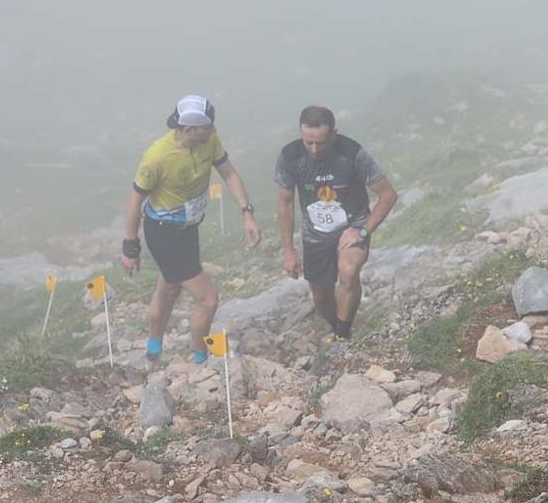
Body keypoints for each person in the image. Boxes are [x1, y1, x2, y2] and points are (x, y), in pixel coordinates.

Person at [121, 95, 261, 363]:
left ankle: (153, 346)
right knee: (208, 299)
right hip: (163, 231)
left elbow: (228, 173)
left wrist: (247, 214)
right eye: (208, 126)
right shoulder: (156, 157)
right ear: (188, 129)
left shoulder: (209, 141)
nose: (214, 130)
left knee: (170, 284)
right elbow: (135, 200)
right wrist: (130, 246)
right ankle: (200, 359)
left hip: (188, 227)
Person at [275, 106, 398, 339]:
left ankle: (343, 334)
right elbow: (285, 203)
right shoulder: (290, 156)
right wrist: (288, 251)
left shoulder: (352, 154)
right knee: (321, 299)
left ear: (333, 134)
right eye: (307, 142)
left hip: (352, 226)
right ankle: (337, 325)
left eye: (320, 143)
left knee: (349, 271)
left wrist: (363, 230)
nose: (313, 149)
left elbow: (388, 194)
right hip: (315, 234)